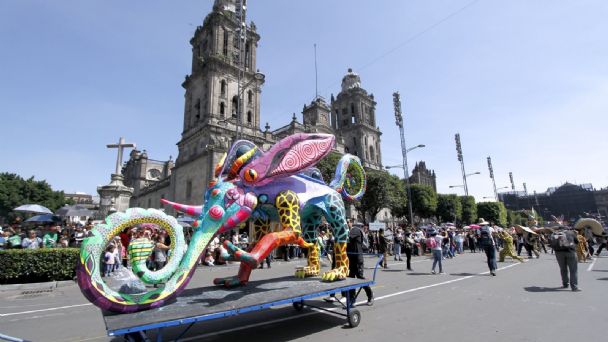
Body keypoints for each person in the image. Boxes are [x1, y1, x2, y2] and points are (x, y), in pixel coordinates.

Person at [342, 219, 374, 307]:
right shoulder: (347, 232)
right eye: (345, 222)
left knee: (360, 278)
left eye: (348, 222)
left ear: (351, 223)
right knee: (351, 279)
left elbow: (346, 238)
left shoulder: (354, 230)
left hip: (358, 259)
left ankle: (370, 296)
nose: (346, 223)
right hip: (350, 259)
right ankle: (352, 299)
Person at [550, 225, 580, 291]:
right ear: (567, 228)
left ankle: (565, 284)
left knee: (563, 269)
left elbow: (551, 243)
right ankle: (574, 287)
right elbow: (577, 242)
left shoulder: (555, 234)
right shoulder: (571, 233)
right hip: (570, 252)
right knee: (573, 270)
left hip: (559, 253)